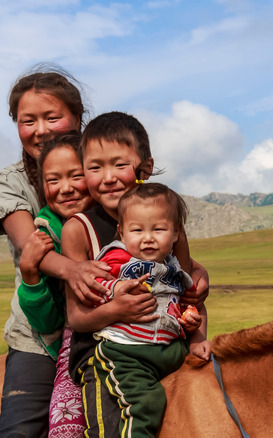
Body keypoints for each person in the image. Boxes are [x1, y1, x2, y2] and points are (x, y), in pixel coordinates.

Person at [60, 111, 210, 438]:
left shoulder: (170, 226)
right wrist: (116, 309)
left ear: (145, 168)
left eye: (119, 165)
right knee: (119, 425)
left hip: (169, 346)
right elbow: (76, 317)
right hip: (109, 351)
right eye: (95, 167)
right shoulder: (78, 229)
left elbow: (186, 294)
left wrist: (197, 332)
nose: (108, 177)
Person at [0, 65, 111, 437]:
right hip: (42, 332)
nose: (41, 130)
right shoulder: (8, 182)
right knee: (18, 432)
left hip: (115, 317)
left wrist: (192, 270)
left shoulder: (102, 167)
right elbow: (30, 244)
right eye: (28, 121)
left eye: (52, 117)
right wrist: (73, 269)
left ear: (77, 117)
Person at [93, 182, 210, 438]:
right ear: (121, 233)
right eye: (137, 230)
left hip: (170, 349)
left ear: (176, 233)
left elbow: (187, 306)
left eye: (159, 229)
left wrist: (191, 325)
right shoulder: (117, 259)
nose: (148, 237)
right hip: (127, 351)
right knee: (145, 405)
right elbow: (94, 283)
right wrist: (115, 290)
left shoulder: (174, 269)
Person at [14, 132, 97, 437]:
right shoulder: (46, 233)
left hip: (138, 334)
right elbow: (47, 321)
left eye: (77, 176)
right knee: (68, 421)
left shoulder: (121, 216)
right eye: (53, 180)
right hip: (78, 344)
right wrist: (31, 277)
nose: (65, 189)